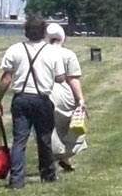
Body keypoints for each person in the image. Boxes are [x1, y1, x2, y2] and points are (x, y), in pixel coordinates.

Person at [0, 13, 65, 189]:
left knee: (19, 140)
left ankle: (17, 179)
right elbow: (61, 78)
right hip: (42, 99)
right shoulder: (52, 52)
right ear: (43, 32)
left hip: (21, 98)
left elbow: (6, 78)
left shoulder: (15, 49)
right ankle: (48, 174)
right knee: (44, 138)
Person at [46, 23, 88, 172]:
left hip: (44, 93)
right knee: (69, 129)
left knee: (50, 129)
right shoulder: (68, 54)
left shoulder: (41, 52)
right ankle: (62, 156)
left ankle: (61, 159)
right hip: (64, 94)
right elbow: (73, 79)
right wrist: (80, 99)